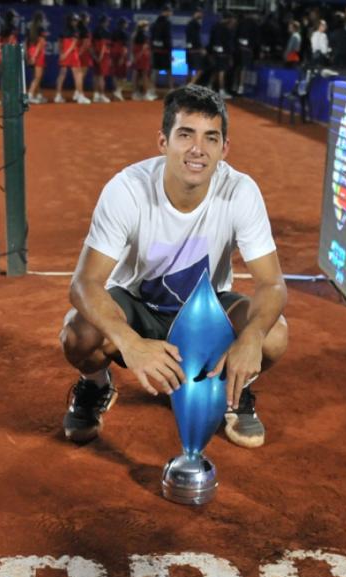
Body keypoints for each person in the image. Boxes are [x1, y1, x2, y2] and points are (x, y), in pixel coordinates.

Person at [60, 85, 288, 449]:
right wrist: (131, 343)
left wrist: (252, 337)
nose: (198, 149)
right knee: (78, 335)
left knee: (274, 336)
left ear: (224, 148)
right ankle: (96, 385)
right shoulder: (127, 190)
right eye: (185, 135)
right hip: (137, 309)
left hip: (206, 314)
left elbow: (272, 284)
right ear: (163, 142)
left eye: (210, 138)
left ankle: (234, 393)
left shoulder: (240, 191)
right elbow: (84, 284)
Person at [150, 4, 174, 95]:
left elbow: (152, 38)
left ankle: (152, 90)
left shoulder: (155, 23)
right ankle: (171, 90)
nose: (171, 13)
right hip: (165, 51)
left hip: (156, 50)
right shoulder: (167, 23)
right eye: (170, 11)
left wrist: (153, 48)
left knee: (155, 70)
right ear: (166, 12)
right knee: (169, 71)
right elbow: (168, 38)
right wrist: (170, 51)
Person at [91, 15, 116, 104]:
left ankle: (95, 95)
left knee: (96, 75)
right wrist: (100, 57)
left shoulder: (94, 31)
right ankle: (101, 95)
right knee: (101, 76)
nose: (108, 23)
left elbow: (91, 46)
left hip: (96, 56)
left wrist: (94, 56)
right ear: (104, 22)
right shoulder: (106, 32)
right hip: (103, 56)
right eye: (107, 21)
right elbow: (103, 46)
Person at [25, 11, 47, 105]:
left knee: (36, 76)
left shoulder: (29, 27)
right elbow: (41, 42)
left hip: (31, 50)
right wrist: (35, 56)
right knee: (38, 77)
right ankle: (30, 95)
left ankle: (36, 95)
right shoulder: (41, 28)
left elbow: (26, 42)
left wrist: (28, 55)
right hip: (38, 53)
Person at [132, 19, 154, 101]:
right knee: (144, 75)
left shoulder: (135, 34)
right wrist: (138, 56)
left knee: (137, 74)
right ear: (144, 27)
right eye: (147, 25)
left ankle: (136, 93)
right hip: (143, 57)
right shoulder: (144, 35)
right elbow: (143, 48)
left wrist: (135, 57)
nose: (148, 27)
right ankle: (145, 94)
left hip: (138, 56)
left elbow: (134, 47)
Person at [185, 9, 206, 84]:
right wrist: (200, 48)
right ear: (196, 13)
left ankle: (187, 85)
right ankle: (190, 85)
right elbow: (195, 38)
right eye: (200, 13)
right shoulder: (194, 24)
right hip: (195, 50)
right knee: (200, 70)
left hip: (189, 50)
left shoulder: (190, 23)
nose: (201, 15)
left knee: (190, 69)